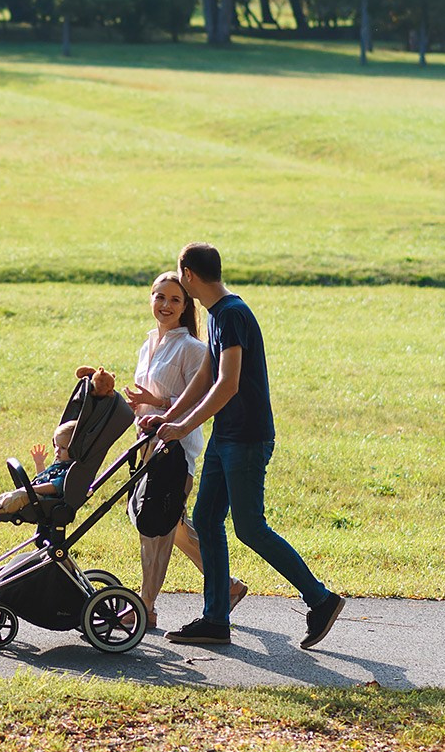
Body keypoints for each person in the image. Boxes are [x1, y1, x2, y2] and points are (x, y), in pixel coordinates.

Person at [142, 242, 345, 649]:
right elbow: (204, 376)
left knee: (250, 527)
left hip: (247, 437)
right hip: (226, 436)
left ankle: (320, 599)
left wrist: (182, 427)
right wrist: (168, 417)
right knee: (208, 517)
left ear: (190, 276)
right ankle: (215, 619)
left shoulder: (232, 315)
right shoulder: (220, 315)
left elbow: (228, 383)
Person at [123, 271, 247, 631]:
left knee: (156, 531)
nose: (165, 305)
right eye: (159, 297)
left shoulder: (193, 349)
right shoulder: (147, 345)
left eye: (174, 299)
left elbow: (201, 399)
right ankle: (226, 587)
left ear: (185, 306)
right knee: (172, 526)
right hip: (147, 448)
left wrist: (157, 402)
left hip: (176, 452)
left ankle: (145, 607)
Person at [0, 418, 78, 531]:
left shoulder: (69, 470)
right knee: (8, 494)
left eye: (63, 448)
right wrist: (39, 464)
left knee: (18, 496)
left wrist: (30, 489)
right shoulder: (58, 464)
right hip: (38, 496)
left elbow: (53, 487)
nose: (57, 451)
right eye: (55, 446)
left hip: (47, 502)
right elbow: (44, 479)